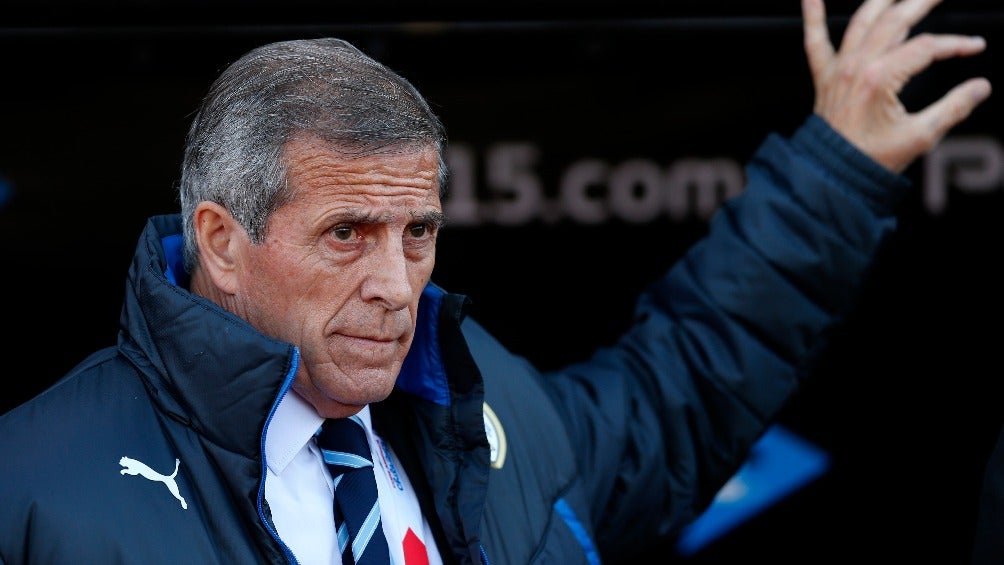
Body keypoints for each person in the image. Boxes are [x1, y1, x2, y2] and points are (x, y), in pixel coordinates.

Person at [0, 0, 991, 563]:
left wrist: (832, 171)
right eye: (347, 232)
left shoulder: (479, 404)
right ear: (221, 239)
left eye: (418, 231)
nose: (396, 283)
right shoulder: (33, 487)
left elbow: (674, 389)